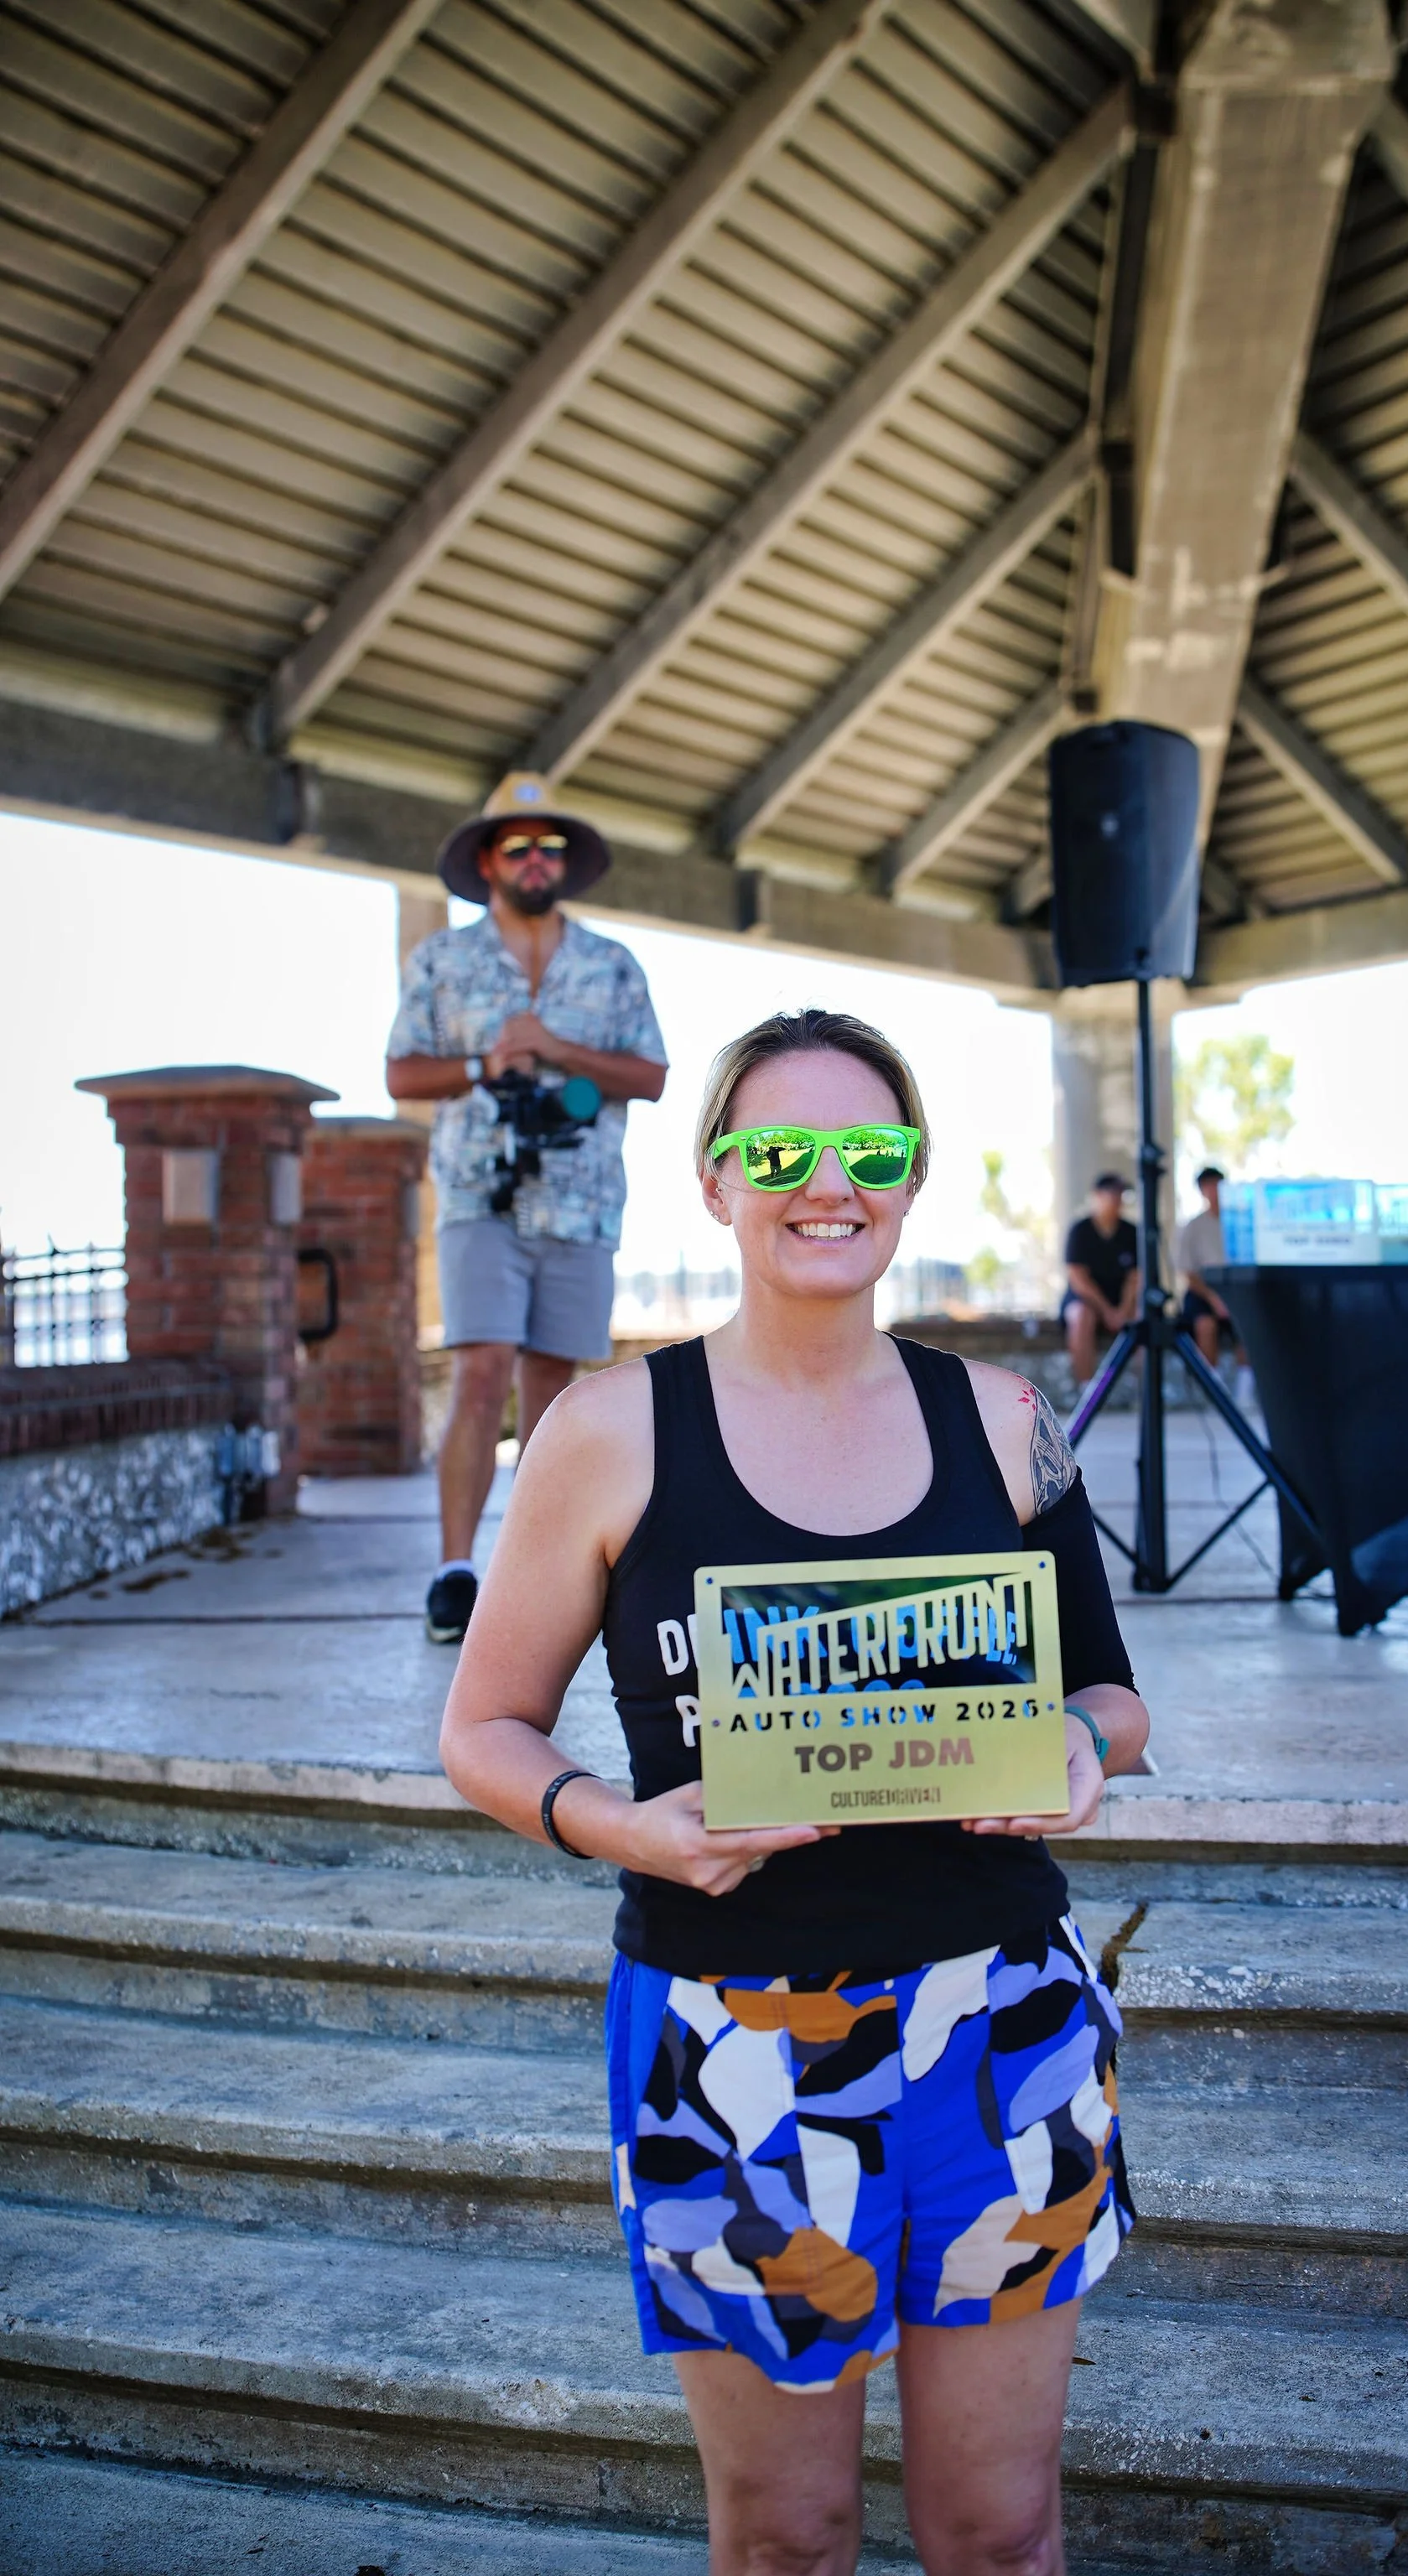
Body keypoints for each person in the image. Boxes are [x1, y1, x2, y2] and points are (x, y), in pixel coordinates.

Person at [441, 1007, 1150, 2576]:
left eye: (869, 1151)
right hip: (731, 2043)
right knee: (784, 2534)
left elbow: (1110, 1688)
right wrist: (619, 1826)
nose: (825, 1182)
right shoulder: (606, 1430)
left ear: (910, 1182)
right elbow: (483, 1725)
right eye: (778, 1150)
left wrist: (1084, 1751)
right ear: (713, 1181)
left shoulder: (1007, 1417)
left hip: (1002, 2023)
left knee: (1001, 2528)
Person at [386, 771, 667, 1644]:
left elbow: (650, 1076)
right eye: (519, 846)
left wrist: (555, 1050)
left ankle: (533, 1569)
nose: (537, 860)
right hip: (480, 1196)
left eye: (550, 846)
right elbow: (401, 1073)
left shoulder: (612, 964)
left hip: (580, 1207)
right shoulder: (441, 960)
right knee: (478, 1371)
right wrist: (483, 1068)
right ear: (486, 860)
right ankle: (455, 1571)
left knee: (553, 1392)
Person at [1062, 1172, 1139, 1386]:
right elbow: (1078, 1278)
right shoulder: (1081, 1230)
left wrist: (1123, 1309)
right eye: (1112, 1193)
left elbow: (1136, 1277)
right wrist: (1107, 1310)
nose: (1117, 1199)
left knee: (1143, 1318)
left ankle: (1145, 1388)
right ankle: (1086, 1389)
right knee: (1081, 1317)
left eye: (1121, 1194)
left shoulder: (1132, 1232)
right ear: (1097, 1195)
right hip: (1086, 1300)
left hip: (1122, 1300)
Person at [1177, 1165, 1245, 1372]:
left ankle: (1247, 1387)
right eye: (1209, 1186)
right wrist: (1214, 1299)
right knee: (1205, 1324)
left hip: (1237, 1287)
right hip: (1204, 1291)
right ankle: (1209, 1384)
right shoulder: (1193, 1227)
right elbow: (1188, 1273)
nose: (1215, 1191)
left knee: (1249, 1323)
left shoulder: (1240, 1223)